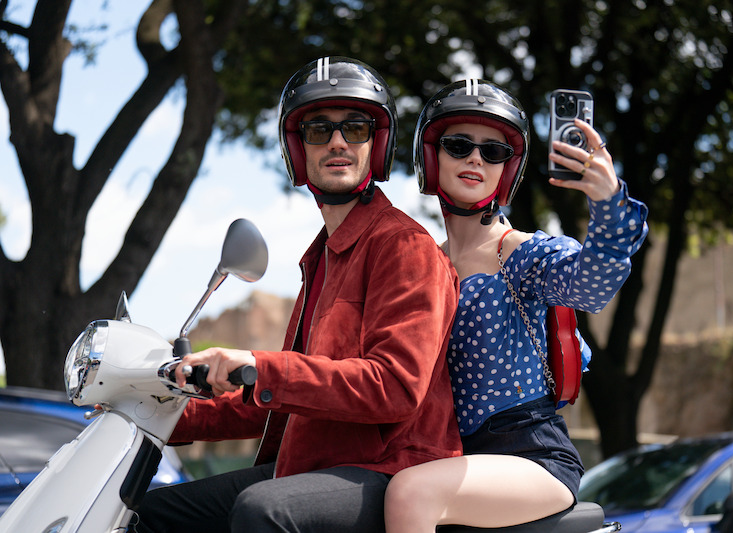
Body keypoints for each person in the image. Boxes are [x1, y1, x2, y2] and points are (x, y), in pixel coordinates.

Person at [133, 56, 462, 533]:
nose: (337, 142)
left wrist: (262, 365)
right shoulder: (322, 258)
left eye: (355, 127)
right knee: (147, 514)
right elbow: (281, 398)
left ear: (378, 142)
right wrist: (165, 415)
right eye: (317, 130)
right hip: (313, 466)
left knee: (263, 510)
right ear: (297, 148)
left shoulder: (405, 247)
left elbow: (395, 387)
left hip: (391, 468)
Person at [383, 79, 649, 532]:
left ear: (508, 169)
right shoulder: (423, 264)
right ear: (432, 156)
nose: (475, 158)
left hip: (530, 454)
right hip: (443, 455)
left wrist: (608, 204)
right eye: (459, 144)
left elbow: (591, 287)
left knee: (411, 494)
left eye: (494, 152)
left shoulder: (523, 255)